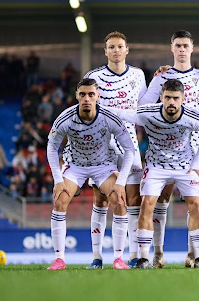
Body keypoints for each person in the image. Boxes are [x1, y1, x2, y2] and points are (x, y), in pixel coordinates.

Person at [110, 79, 199, 269]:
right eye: (167, 97)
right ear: (161, 97)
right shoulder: (147, 113)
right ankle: (143, 258)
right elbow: (124, 114)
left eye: (175, 98)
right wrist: (101, 108)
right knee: (147, 204)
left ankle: (198, 257)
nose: (171, 102)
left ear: (183, 99)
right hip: (156, 166)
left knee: (196, 204)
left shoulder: (193, 116)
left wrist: (197, 158)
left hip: (184, 166)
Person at [139, 30, 199, 268]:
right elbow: (143, 105)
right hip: (164, 146)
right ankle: (158, 253)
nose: (182, 50)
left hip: (194, 149)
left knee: (196, 201)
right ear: (172, 48)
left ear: (192, 48)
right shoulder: (161, 77)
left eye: (186, 45)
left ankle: (194, 254)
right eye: (178, 45)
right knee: (161, 200)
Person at [46, 78, 136, 270]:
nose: (87, 98)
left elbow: (130, 149)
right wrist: (57, 180)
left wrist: (120, 182)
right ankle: (59, 259)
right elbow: (51, 147)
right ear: (77, 96)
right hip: (75, 165)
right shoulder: (65, 118)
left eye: (91, 94)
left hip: (103, 165)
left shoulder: (109, 117)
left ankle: (118, 259)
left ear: (98, 96)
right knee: (60, 199)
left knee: (119, 201)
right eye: (83, 94)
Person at [83, 31, 147, 269]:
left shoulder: (138, 75)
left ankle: (132, 255)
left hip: (129, 142)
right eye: (112, 47)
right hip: (101, 145)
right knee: (101, 200)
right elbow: (86, 109)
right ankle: (97, 257)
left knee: (133, 199)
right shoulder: (94, 76)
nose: (116, 50)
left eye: (120, 46)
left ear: (127, 49)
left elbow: (144, 108)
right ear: (106, 51)